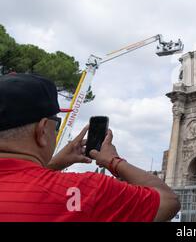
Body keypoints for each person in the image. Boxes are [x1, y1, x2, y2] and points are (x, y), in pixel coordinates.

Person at [0, 73, 180, 222]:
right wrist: (113, 161)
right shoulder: (85, 191)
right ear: (41, 131)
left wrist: (51, 166)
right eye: (56, 124)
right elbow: (168, 200)